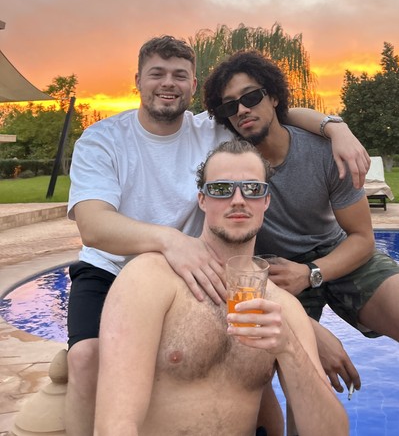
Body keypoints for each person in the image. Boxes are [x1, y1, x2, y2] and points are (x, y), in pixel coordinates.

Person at [66, 35, 369, 436]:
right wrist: (170, 241)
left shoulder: (210, 130)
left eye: (180, 75)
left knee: (245, 368)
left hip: (204, 268)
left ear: (194, 86)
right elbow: (92, 224)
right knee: (88, 358)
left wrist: (336, 127)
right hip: (115, 266)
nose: (168, 83)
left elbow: (270, 112)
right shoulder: (104, 139)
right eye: (157, 74)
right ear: (137, 80)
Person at [203, 50, 399, 436]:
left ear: (274, 96)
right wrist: (310, 332)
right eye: (230, 104)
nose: (242, 109)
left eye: (252, 96)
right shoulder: (230, 163)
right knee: (302, 373)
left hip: (336, 252)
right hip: (273, 269)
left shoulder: (322, 150)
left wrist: (312, 272)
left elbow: (363, 238)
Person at [94, 139, 349, 436]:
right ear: (202, 200)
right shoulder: (150, 278)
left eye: (253, 189)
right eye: (221, 189)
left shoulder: (282, 307)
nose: (238, 199)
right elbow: (116, 424)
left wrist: (290, 349)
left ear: (266, 200)